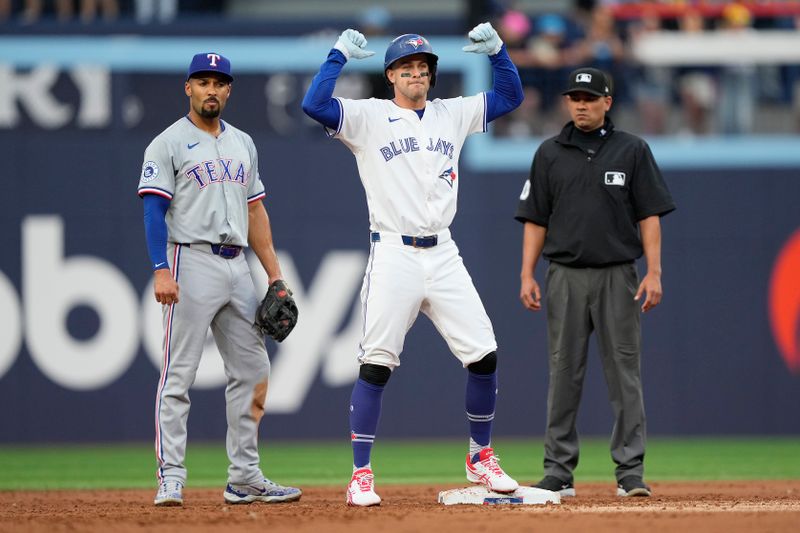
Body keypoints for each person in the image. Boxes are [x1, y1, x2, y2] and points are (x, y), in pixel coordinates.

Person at [302, 23, 524, 506]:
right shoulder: (369, 117)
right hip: (394, 252)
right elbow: (314, 105)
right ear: (391, 76)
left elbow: (510, 96)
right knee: (376, 363)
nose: (417, 74)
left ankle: (480, 457)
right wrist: (337, 56)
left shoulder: (452, 113)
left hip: (443, 251)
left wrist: (500, 53)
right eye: (407, 68)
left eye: (423, 68)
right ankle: (361, 474)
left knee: (484, 355)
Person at [137, 52, 301, 507]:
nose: (212, 89)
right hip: (189, 260)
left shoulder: (243, 143)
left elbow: (255, 211)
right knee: (177, 376)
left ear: (229, 90)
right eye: (203, 81)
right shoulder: (167, 143)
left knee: (253, 370)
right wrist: (160, 269)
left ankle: (244, 477)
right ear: (187, 87)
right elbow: (153, 209)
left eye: (219, 82)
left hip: (237, 265)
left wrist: (275, 277)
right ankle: (171, 476)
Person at [515, 67, 675, 498]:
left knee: (625, 374)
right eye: (575, 98)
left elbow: (650, 215)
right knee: (563, 374)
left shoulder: (632, 150)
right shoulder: (549, 153)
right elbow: (535, 218)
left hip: (617, 274)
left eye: (589, 98)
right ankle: (558, 472)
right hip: (564, 274)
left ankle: (629, 473)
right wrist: (527, 272)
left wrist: (654, 271)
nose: (581, 105)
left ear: (608, 102)